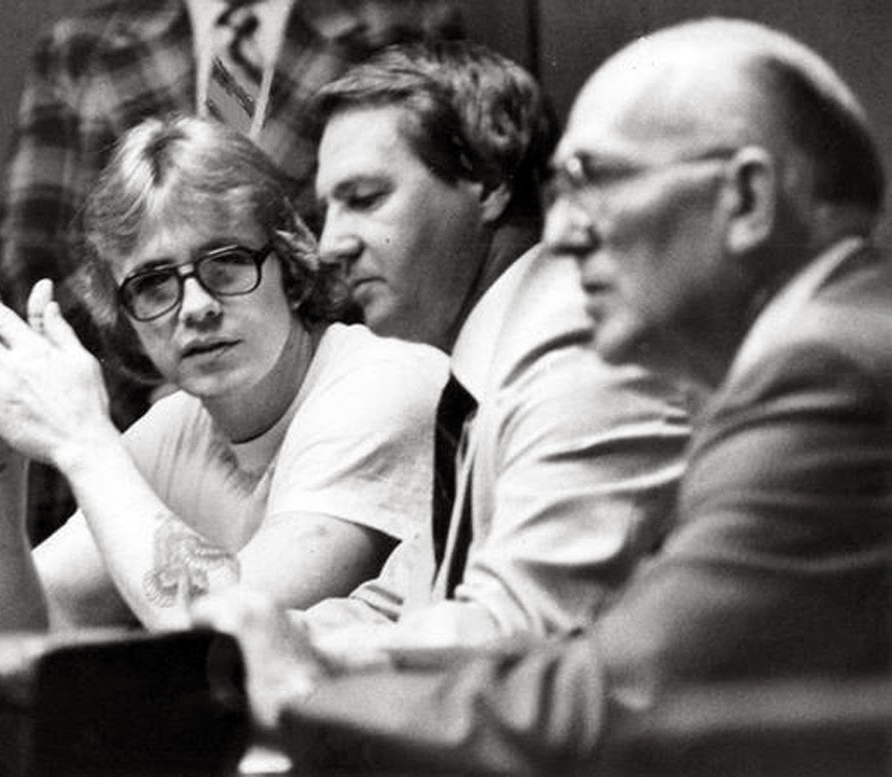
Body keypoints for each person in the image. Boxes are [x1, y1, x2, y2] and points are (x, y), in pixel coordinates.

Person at [193, 17, 892, 773]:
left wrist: (302, 690)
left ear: (748, 197)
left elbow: (608, 696)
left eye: (598, 181)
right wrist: (297, 647)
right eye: (559, 191)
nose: (561, 231)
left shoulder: (823, 375)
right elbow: (436, 596)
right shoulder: (823, 349)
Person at [0, 115, 446, 633]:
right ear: (126, 318)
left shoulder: (382, 386)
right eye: (154, 284)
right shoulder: (175, 430)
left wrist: (83, 439)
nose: (197, 307)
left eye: (226, 264)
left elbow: (230, 632)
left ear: (290, 264)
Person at [254, 41, 691, 661]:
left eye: (365, 199)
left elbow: (520, 633)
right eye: (329, 210)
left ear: (488, 183)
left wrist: (302, 654)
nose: (329, 246)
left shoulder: (585, 347)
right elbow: (416, 596)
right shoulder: (492, 362)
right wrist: (258, 638)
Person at [0, 0, 462, 537]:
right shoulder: (78, 49)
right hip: (135, 420)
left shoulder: (400, 25)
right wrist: (167, 381)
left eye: (226, 263)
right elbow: (37, 260)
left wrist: (285, 378)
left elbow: (427, 245)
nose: (197, 305)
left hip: (336, 413)